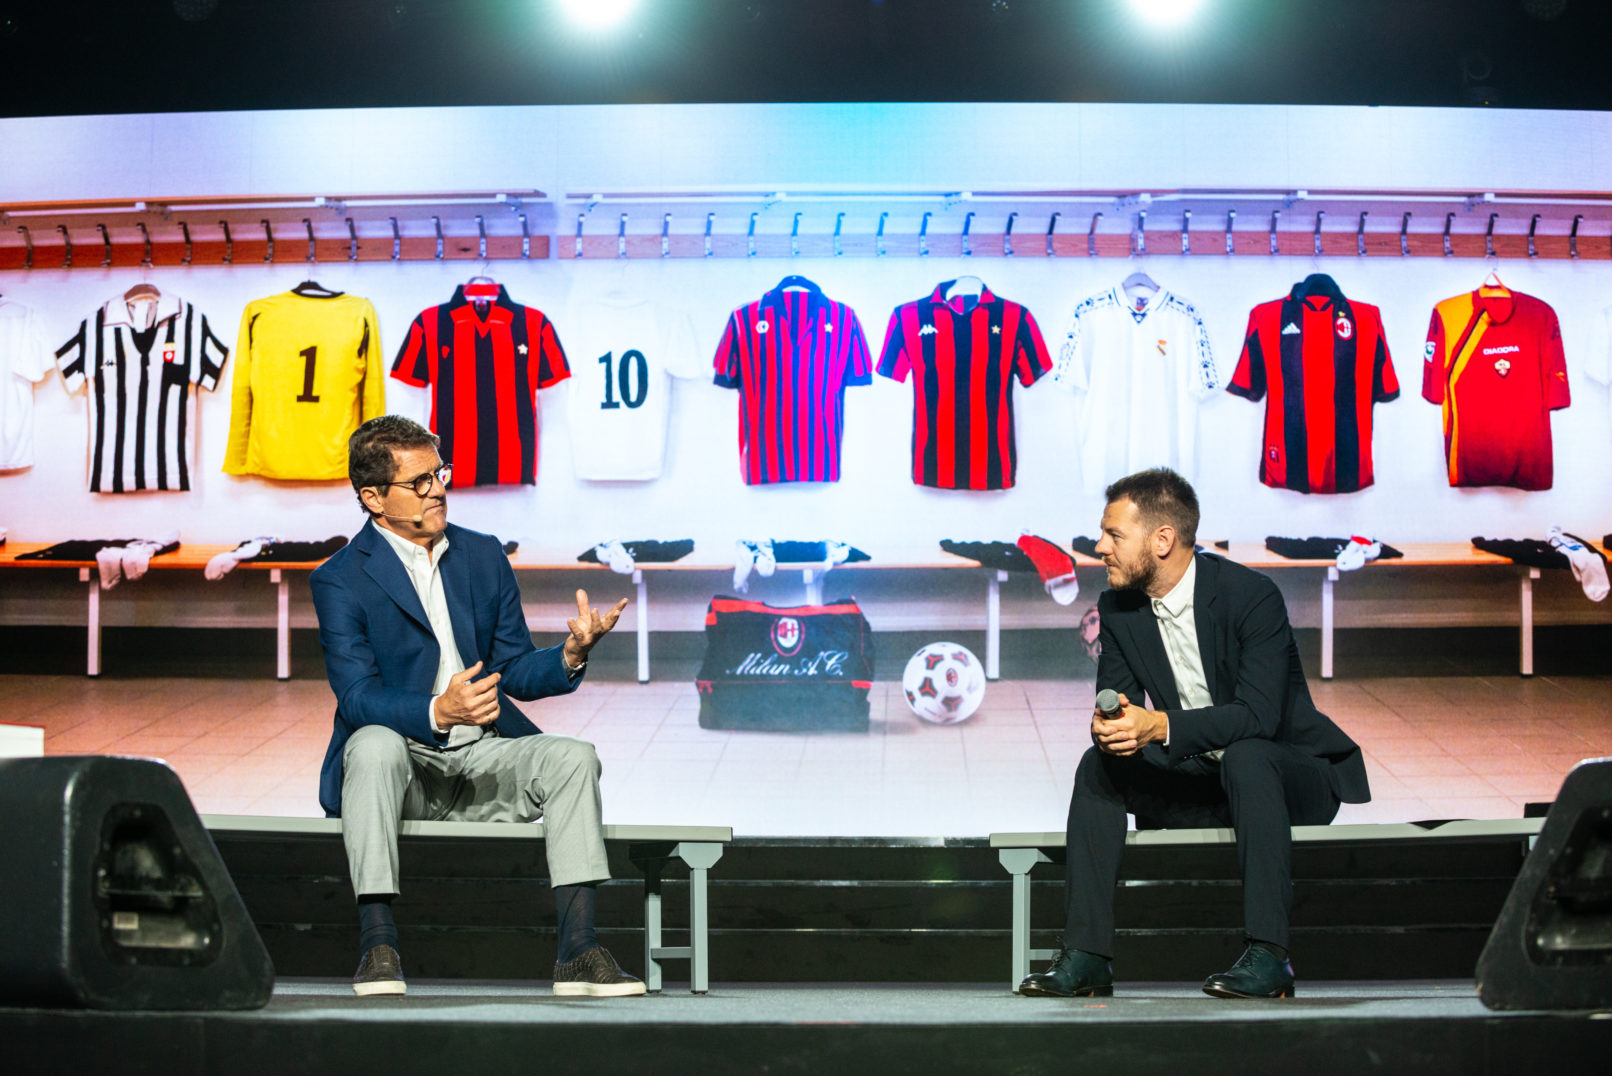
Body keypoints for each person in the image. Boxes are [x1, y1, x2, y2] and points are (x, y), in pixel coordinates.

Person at [310, 414, 639, 998]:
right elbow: (357, 697)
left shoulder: (482, 554)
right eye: (419, 482)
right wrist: (439, 710)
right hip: (403, 767)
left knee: (573, 757)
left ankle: (578, 952)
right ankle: (378, 947)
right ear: (373, 498)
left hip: (484, 757)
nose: (437, 489)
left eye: (440, 473)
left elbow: (513, 667)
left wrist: (568, 655)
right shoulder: (339, 579)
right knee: (373, 743)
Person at [1018, 468, 1370, 1000]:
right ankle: (1087, 957)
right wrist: (1113, 728)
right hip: (1207, 783)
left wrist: (1159, 725)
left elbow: (1258, 716)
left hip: (1290, 780)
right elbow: (1119, 701)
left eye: (1114, 535)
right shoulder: (1118, 608)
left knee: (1248, 755)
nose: (1100, 547)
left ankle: (1269, 957)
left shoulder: (1250, 595)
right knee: (1098, 766)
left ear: (1162, 540)